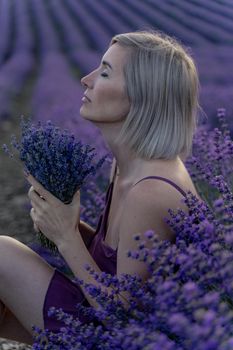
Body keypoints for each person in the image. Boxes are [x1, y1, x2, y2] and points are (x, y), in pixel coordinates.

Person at [0, 30, 201, 345]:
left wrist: (66, 237)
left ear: (141, 95)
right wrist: (67, 222)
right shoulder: (126, 167)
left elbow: (124, 317)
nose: (86, 79)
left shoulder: (151, 190)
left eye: (105, 72)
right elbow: (118, 265)